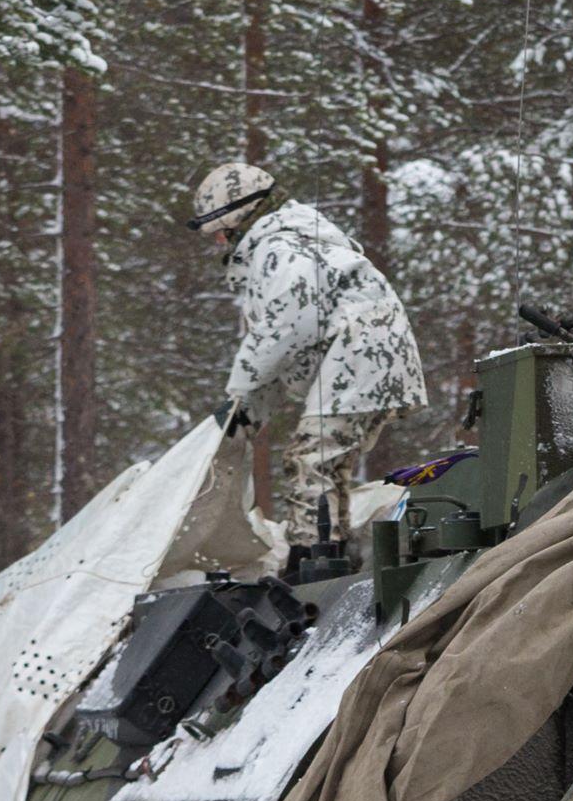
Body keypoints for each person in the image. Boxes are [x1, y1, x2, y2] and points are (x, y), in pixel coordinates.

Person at [181, 161, 430, 539]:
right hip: (364, 360)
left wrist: (238, 393)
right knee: (321, 461)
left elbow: (288, 328)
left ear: (238, 218)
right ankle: (326, 551)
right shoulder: (290, 242)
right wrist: (246, 413)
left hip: (361, 359)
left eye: (220, 232)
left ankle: (315, 558)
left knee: (313, 461)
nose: (218, 242)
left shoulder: (280, 247)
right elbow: (286, 348)